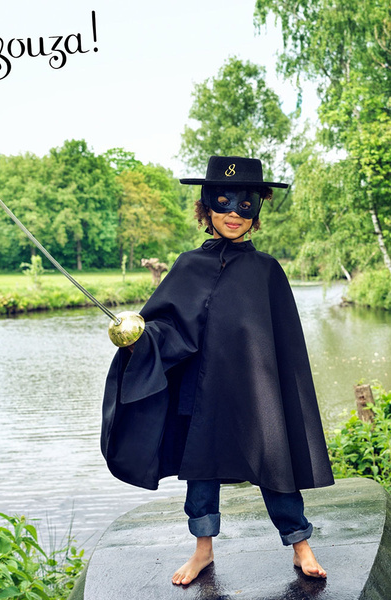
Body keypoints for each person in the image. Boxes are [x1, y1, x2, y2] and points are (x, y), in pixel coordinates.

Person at [100, 156, 334, 586]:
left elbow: (282, 346)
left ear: (256, 212)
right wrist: (140, 338)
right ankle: (202, 550)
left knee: (276, 465)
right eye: (223, 203)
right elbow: (170, 328)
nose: (233, 214)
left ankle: (301, 544)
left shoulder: (266, 271)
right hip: (201, 391)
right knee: (201, 471)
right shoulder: (188, 265)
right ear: (206, 208)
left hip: (257, 391)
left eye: (245, 205)